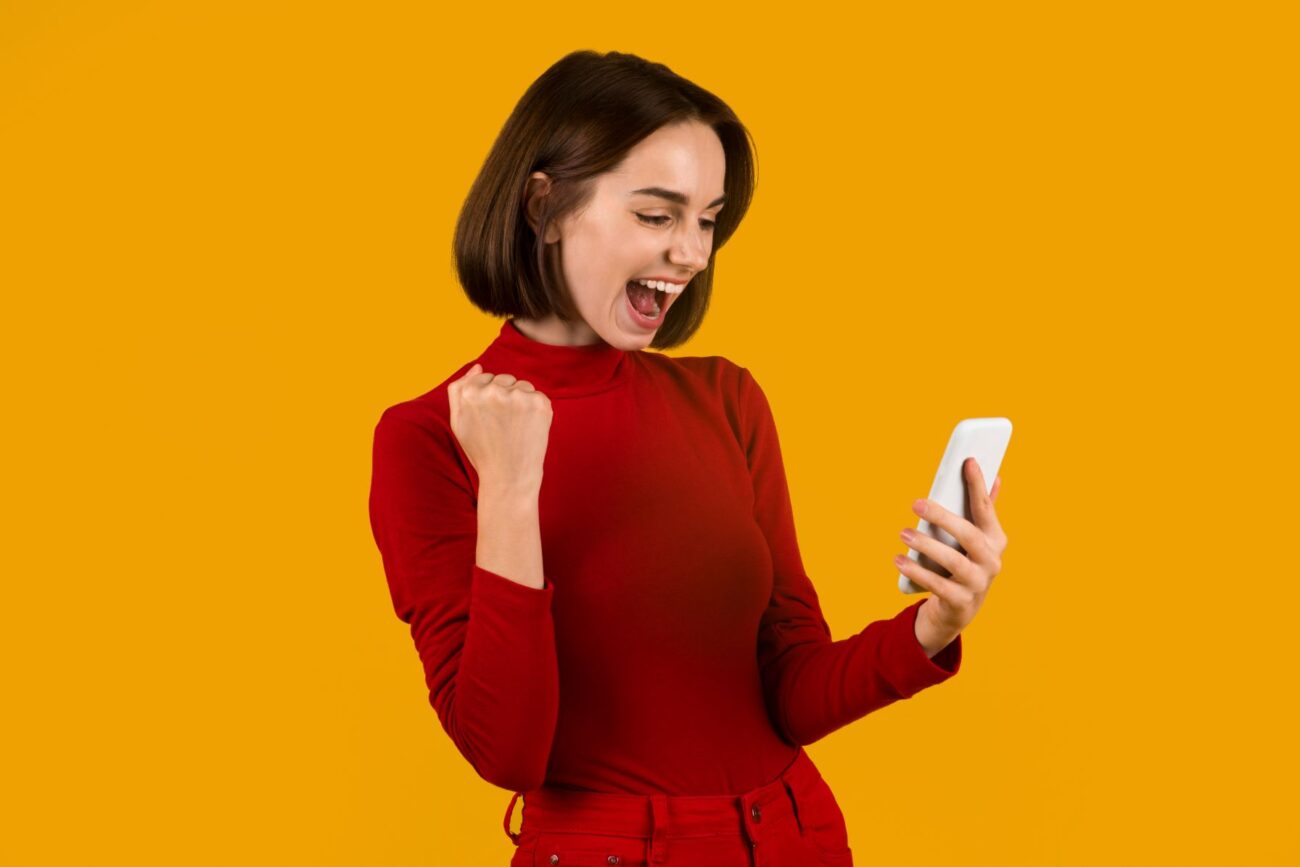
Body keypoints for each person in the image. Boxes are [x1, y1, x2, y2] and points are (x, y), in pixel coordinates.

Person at [368, 50, 1008, 867]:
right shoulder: (427, 438)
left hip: (797, 838)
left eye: (707, 220)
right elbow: (508, 750)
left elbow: (791, 688)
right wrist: (511, 491)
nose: (693, 253)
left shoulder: (726, 399)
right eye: (656, 215)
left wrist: (931, 626)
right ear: (545, 207)